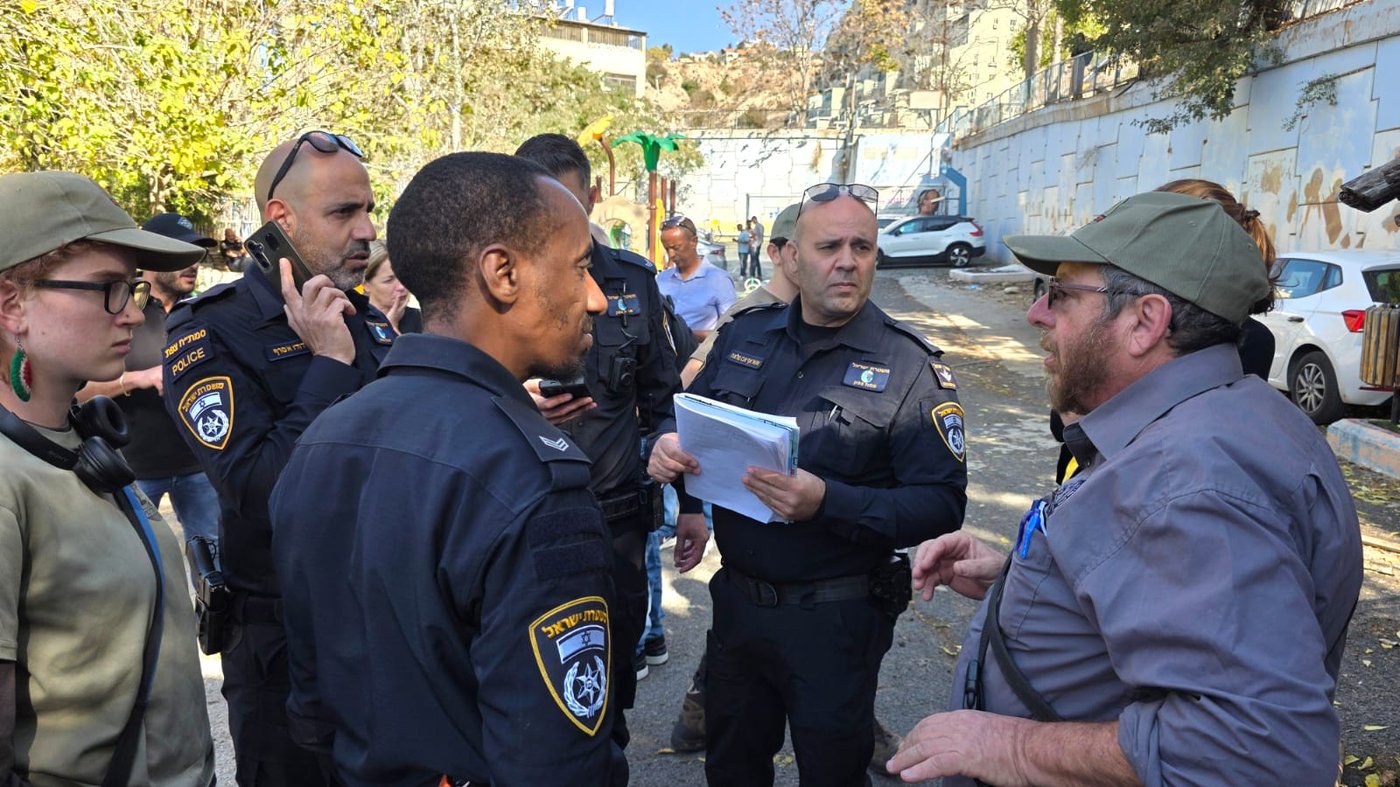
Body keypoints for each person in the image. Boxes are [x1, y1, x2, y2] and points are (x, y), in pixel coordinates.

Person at [890, 191, 1363, 786]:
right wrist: (1029, 579)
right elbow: (1168, 579)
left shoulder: (1185, 482)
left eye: (1060, 295)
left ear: (1145, 321)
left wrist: (1008, 746)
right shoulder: (1225, 415)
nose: (1038, 315)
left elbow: (1260, 753)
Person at [269, 151, 622, 785]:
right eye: (582, 268)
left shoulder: (322, 440)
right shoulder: (531, 479)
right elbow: (556, 761)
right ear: (503, 273)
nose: (595, 299)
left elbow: (315, 704)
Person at [649, 182, 969, 786]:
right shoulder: (747, 335)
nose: (847, 260)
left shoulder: (910, 366)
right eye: (828, 246)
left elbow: (942, 502)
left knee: (833, 772)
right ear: (790, 257)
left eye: (862, 247)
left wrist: (828, 501)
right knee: (732, 767)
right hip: (740, 605)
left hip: (837, 619)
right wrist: (673, 456)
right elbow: (691, 415)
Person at [162, 130, 388, 786]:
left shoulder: (367, 317)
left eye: (370, 209)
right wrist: (327, 363)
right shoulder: (207, 329)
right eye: (344, 212)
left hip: (385, 623)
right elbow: (260, 491)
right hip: (285, 648)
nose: (368, 229)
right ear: (280, 219)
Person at [0, 171, 215, 786]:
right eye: (108, 288)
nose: (131, 313)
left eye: (133, 288)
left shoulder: (75, 441)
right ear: (12, 305)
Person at [514, 133, 698, 761]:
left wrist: (688, 495)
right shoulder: (503, 279)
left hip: (616, 521)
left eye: (565, 199)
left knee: (613, 687)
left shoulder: (631, 280)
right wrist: (516, 402)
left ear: (590, 195)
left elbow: (663, 395)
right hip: (525, 518)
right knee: (535, 683)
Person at [77, 212, 222, 562]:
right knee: (132, 564)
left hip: (199, 466)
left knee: (214, 566)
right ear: (153, 262)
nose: (193, 264)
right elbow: (77, 395)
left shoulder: (204, 312)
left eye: (196, 255)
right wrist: (138, 379)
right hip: (133, 470)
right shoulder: (117, 312)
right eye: (180, 256)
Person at [657, 215, 737, 341]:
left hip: (702, 357)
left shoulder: (719, 280)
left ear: (693, 242)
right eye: (667, 249)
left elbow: (731, 331)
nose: (671, 254)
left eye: (676, 248)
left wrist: (685, 334)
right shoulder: (661, 280)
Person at [363, 239, 421, 334]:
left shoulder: (423, 321)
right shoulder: (354, 323)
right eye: (389, 280)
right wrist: (390, 328)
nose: (401, 287)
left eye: (403, 276)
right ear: (366, 284)